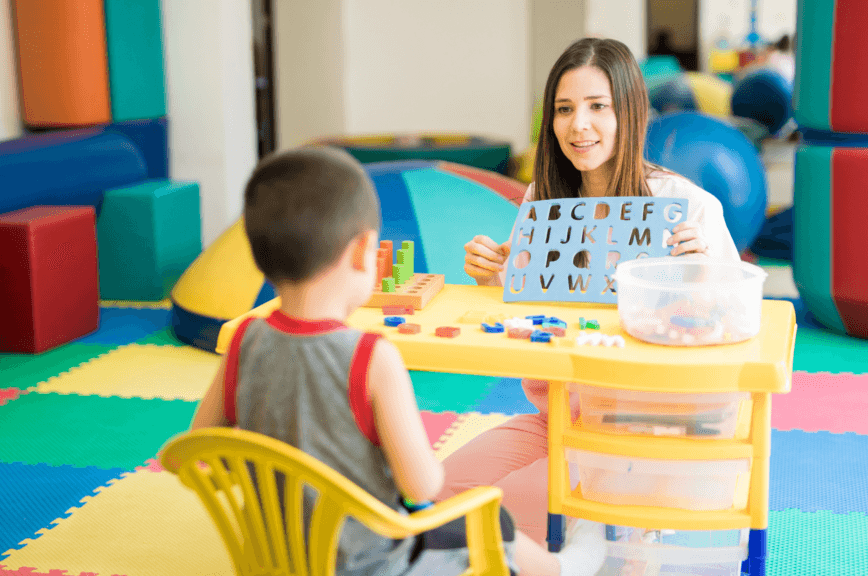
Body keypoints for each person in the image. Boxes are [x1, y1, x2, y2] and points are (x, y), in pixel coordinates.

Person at [191, 147, 606, 576]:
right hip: (372, 561)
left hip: (275, 555)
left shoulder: (243, 340)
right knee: (490, 525)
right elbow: (422, 486)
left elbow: (200, 446)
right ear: (363, 251)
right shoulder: (370, 357)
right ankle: (566, 568)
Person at [448, 37, 741, 545]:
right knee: (437, 496)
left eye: (597, 106)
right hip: (559, 415)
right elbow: (534, 309)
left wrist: (706, 278)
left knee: (507, 526)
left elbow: (740, 327)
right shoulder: (544, 202)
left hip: (650, 430)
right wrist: (493, 275)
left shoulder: (687, 205)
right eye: (564, 109)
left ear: (630, 112)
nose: (578, 125)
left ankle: (628, 543)